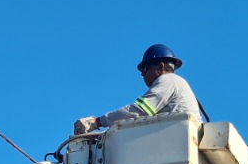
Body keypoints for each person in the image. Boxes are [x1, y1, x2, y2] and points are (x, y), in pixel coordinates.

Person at [74, 44, 206, 135]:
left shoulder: (167, 80)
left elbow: (139, 111)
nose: (142, 74)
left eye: (145, 69)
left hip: (175, 141)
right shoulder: (178, 83)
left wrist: (97, 122)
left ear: (160, 67)